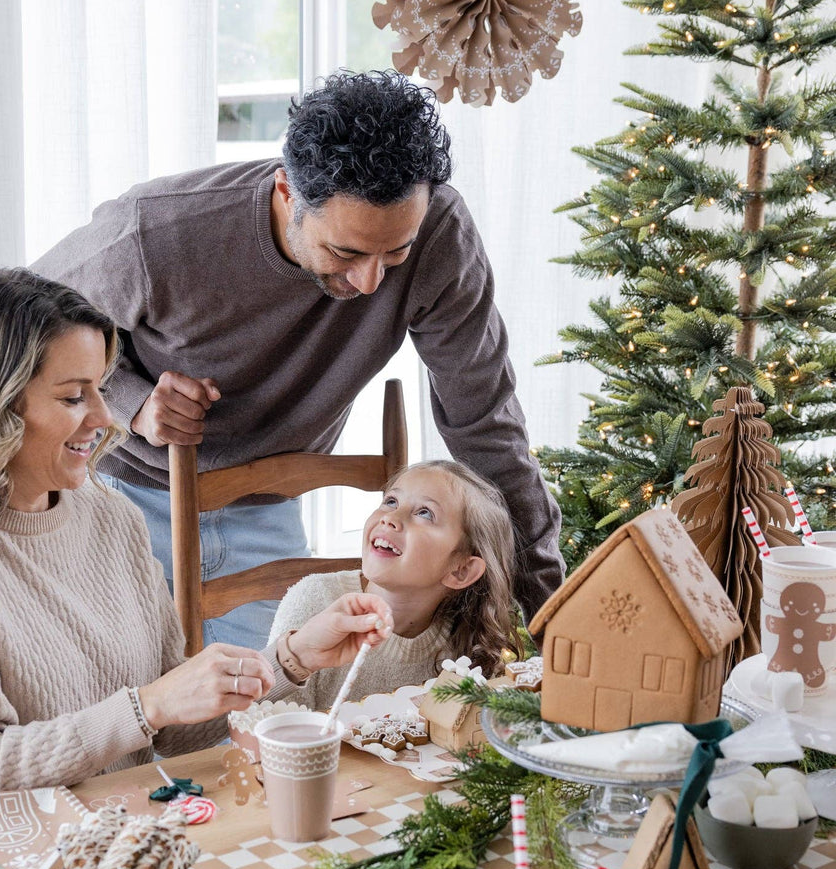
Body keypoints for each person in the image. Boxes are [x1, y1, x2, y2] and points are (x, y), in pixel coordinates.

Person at [32, 69, 564, 652]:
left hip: (267, 503)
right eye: (346, 252)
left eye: (396, 255)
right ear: (287, 191)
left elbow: (484, 418)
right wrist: (134, 404)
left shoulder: (440, 235)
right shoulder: (156, 231)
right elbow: (18, 330)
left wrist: (550, 613)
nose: (369, 283)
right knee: (130, 704)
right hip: (121, 498)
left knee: (271, 712)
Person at [0, 265, 391, 812]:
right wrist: (147, 707)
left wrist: (290, 659)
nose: (108, 418)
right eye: (75, 396)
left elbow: (170, 730)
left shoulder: (108, 515)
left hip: (120, 837)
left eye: (101, 390)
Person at [265, 460, 521, 710]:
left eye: (424, 513)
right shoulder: (316, 598)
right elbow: (262, 727)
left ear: (462, 570)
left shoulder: (465, 645)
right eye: (391, 501)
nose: (390, 518)